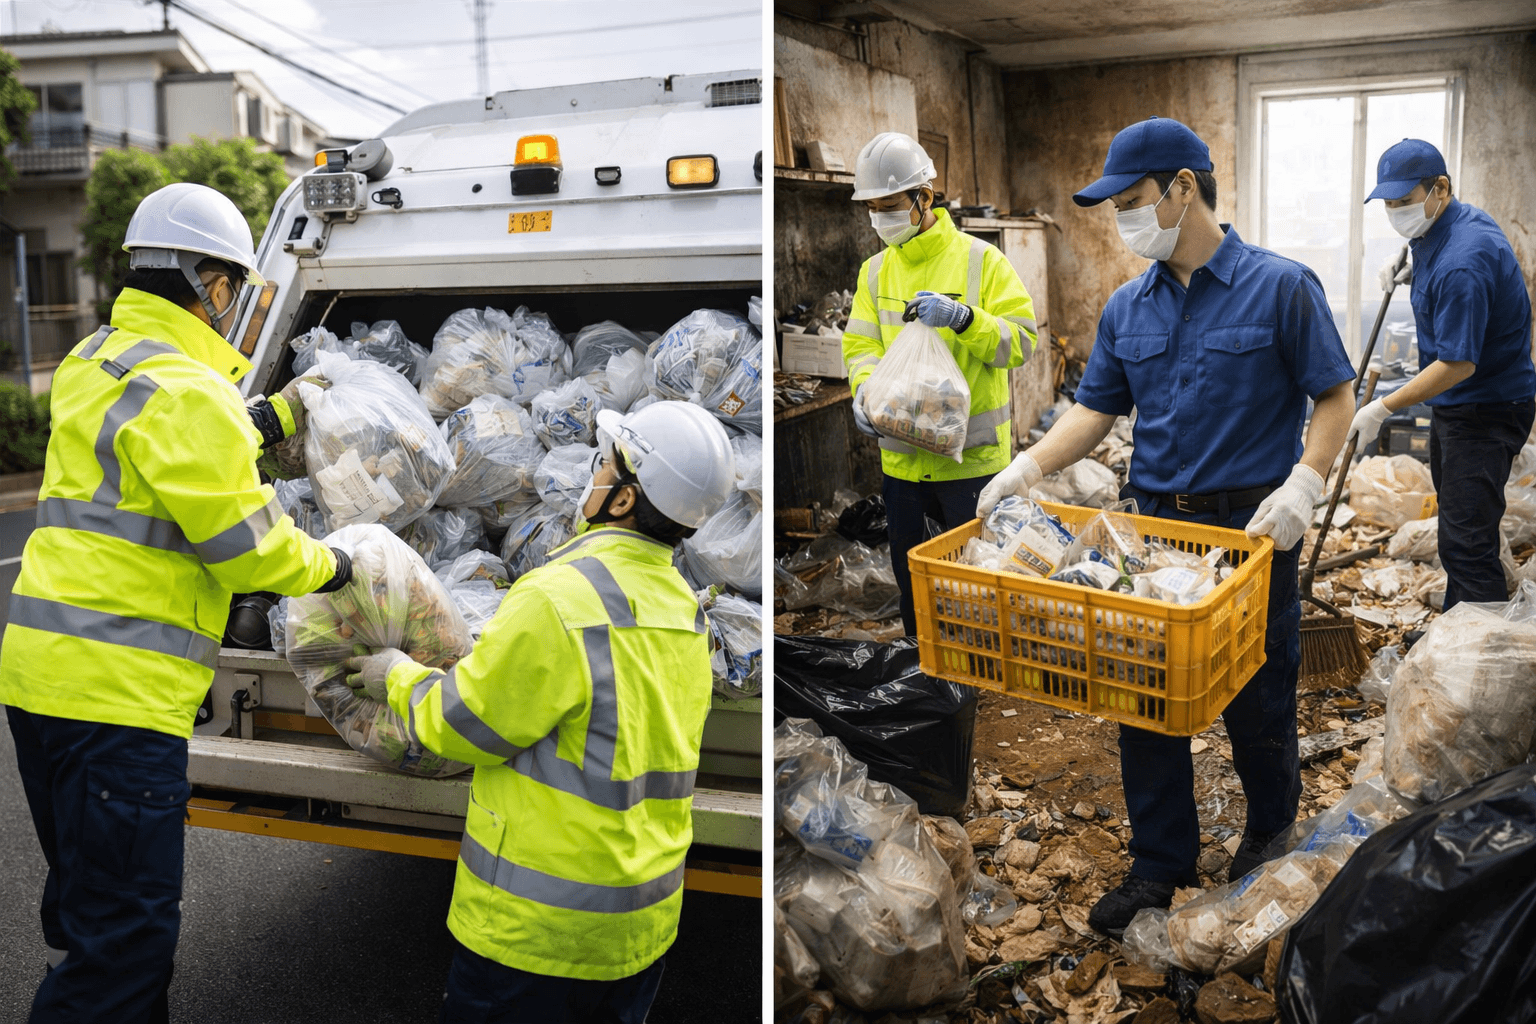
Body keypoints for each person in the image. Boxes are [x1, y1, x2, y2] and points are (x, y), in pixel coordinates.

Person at [977, 116, 1357, 936]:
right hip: (1154, 536)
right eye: (1114, 206)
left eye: (1135, 200)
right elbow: (1095, 411)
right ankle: (1161, 861)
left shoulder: (1282, 287)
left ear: (1184, 189)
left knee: (1259, 698)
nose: (1123, 221)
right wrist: (1027, 467)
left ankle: (1266, 833)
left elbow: (1335, 395)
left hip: (1254, 532)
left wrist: (1304, 484)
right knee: (1143, 699)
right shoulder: (1127, 308)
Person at [0, 182, 352, 1022]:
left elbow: (156, 452)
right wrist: (338, 564)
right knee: (123, 950)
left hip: (40, 688)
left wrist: (266, 418)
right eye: (235, 289)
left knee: (92, 920)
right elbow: (249, 549)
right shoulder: (192, 396)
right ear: (213, 285)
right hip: (119, 707)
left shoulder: (96, 362)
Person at [340, 400, 736, 1024]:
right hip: (639, 929)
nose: (592, 473)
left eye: (603, 463)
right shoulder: (686, 611)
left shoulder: (558, 598)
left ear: (625, 499)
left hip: (537, 937)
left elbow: (463, 724)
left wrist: (395, 676)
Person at [841, 131, 1039, 637]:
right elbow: (860, 346)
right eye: (872, 209)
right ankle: (925, 676)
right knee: (916, 585)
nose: (879, 219)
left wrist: (964, 318)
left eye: (889, 206)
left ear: (923, 197)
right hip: (903, 463)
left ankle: (976, 678)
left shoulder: (982, 261)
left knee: (977, 583)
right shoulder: (873, 273)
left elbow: (1020, 344)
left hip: (971, 465)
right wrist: (863, 390)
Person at [1349, 138, 1535, 609]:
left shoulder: (1462, 261)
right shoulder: (1446, 228)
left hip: (1485, 407)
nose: (1396, 213)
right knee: (1459, 529)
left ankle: (1472, 663)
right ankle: (1458, 627)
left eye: (1404, 202)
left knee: (1467, 544)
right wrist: (1412, 266)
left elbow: (1458, 363)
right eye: (1388, 204)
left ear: (1440, 188)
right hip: (1464, 403)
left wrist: (1384, 406)